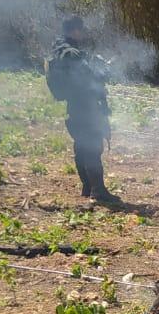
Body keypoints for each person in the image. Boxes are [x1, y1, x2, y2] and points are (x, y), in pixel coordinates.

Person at [45, 16, 119, 207]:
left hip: (75, 105)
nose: (83, 32)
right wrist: (105, 69)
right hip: (85, 105)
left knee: (81, 145)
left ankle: (87, 187)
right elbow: (92, 76)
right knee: (93, 146)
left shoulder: (60, 50)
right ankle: (98, 190)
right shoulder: (72, 54)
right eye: (81, 29)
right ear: (75, 30)